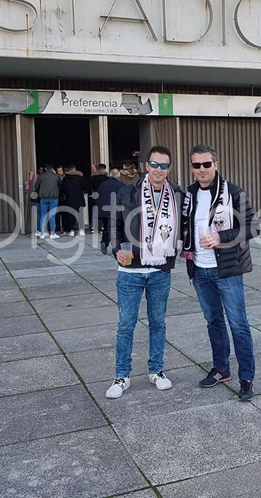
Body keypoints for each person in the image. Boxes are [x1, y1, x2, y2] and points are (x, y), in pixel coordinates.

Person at [181, 143, 260, 402]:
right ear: (191, 167)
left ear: (215, 164)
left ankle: (246, 378)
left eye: (207, 164)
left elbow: (253, 227)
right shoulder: (189, 195)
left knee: (238, 324)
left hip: (227, 269)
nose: (202, 169)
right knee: (213, 321)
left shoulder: (233, 192)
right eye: (197, 165)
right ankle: (221, 369)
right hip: (199, 270)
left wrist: (220, 237)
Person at [106, 146, 183, 400]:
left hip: (160, 270)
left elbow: (187, 225)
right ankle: (122, 375)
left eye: (164, 166)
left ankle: (156, 370)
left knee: (158, 323)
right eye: (155, 164)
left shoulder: (177, 195)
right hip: (130, 270)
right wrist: (116, 248)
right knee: (125, 325)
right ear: (146, 166)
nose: (159, 170)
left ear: (169, 168)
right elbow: (114, 224)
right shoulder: (127, 192)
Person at [96, 168, 124, 254]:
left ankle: (104, 242)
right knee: (117, 229)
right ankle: (117, 245)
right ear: (118, 176)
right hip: (115, 210)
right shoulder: (121, 186)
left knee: (106, 227)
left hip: (103, 210)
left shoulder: (102, 184)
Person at [33, 164, 61, 240]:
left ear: (45, 169)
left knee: (43, 215)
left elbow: (36, 186)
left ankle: (42, 233)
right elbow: (60, 183)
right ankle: (52, 233)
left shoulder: (41, 176)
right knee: (52, 215)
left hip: (43, 198)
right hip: (53, 197)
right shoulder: (56, 176)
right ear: (52, 169)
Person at [61, 165, 89, 236]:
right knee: (80, 214)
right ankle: (81, 230)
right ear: (75, 169)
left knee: (70, 215)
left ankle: (71, 230)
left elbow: (63, 189)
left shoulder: (65, 179)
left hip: (69, 198)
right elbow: (85, 187)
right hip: (79, 198)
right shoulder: (80, 178)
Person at [89, 163, 110, 233]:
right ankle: (103, 226)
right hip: (105, 195)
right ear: (104, 169)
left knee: (95, 211)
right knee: (104, 211)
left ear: (98, 169)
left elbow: (90, 187)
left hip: (96, 195)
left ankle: (93, 227)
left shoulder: (93, 178)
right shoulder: (107, 178)